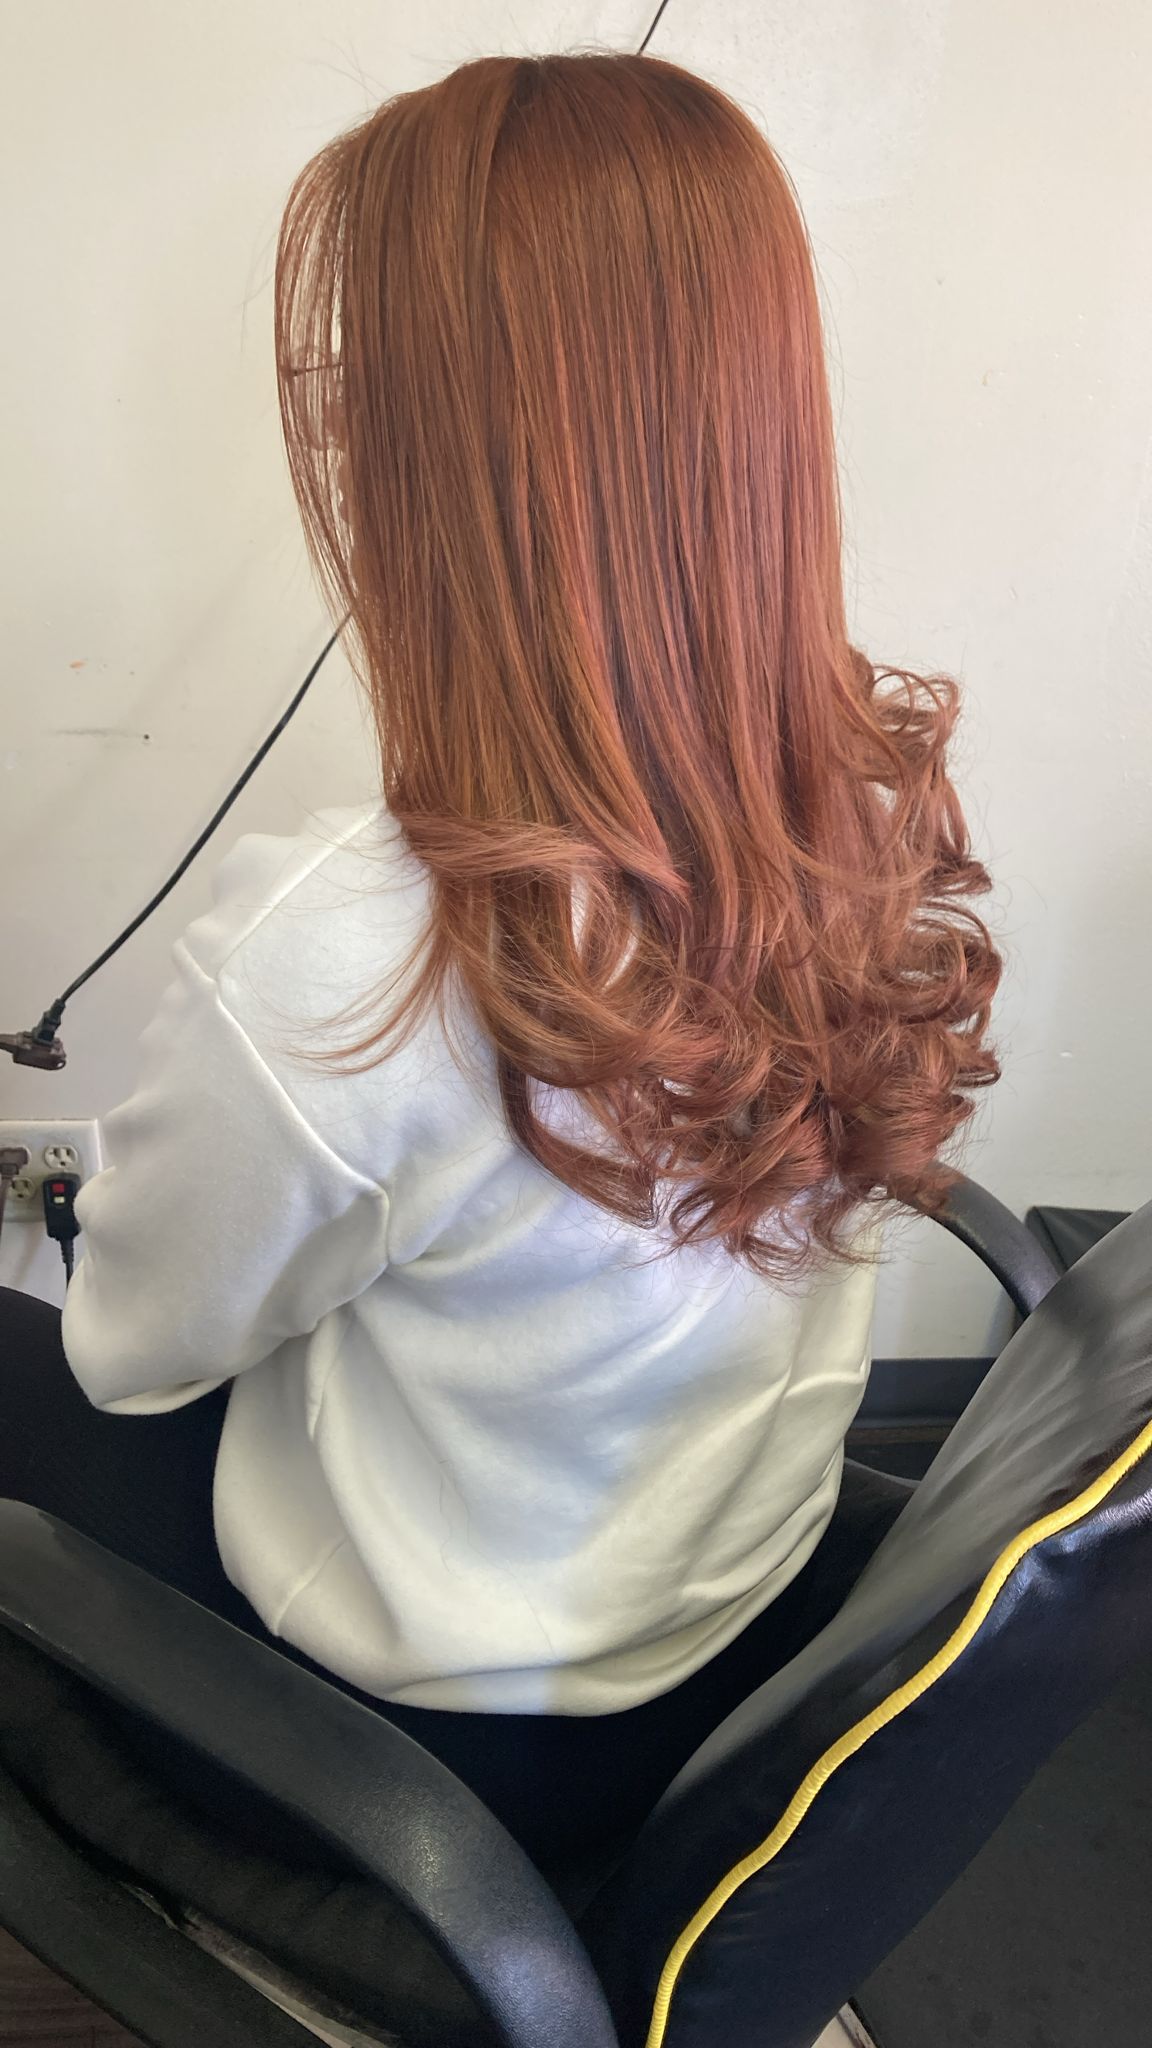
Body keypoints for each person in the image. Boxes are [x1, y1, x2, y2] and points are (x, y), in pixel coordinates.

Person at [0, 52, 1000, 1861]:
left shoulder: (342, 962)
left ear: (428, 459)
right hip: (738, 1632)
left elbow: (131, 1360)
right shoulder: (842, 804)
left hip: (421, 1765)